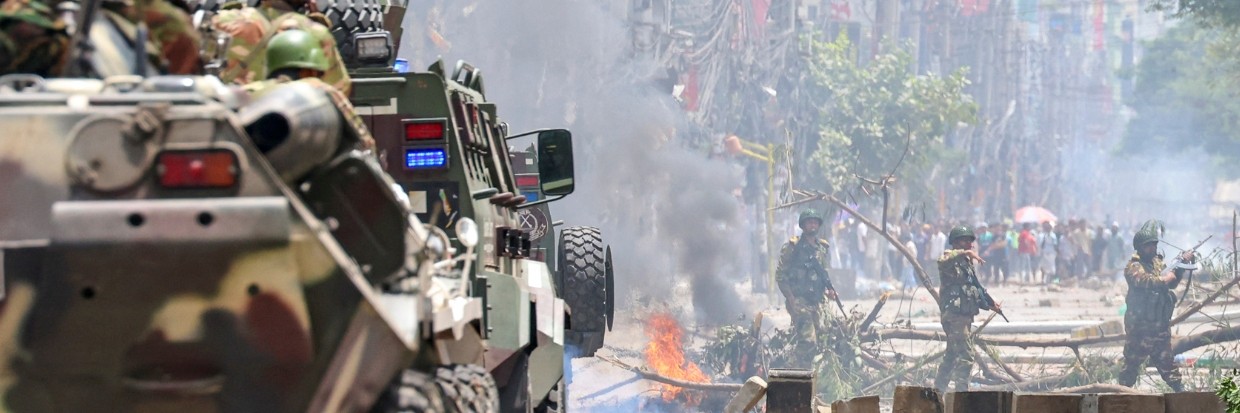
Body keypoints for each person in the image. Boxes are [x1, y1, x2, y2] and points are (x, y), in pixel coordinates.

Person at [1117, 219, 1188, 392]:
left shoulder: (1157, 263)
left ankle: (1183, 398)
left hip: (1159, 326)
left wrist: (1180, 267)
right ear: (1140, 247)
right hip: (1139, 328)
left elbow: (1170, 284)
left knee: (1169, 367)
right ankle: (1119, 399)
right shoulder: (1133, 267)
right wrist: (1167, 278)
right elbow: (1148, 282)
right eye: (1149, 246)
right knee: (1130, 368)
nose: (1153, 249)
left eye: (1154, 245)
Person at [935, 225, 1001, 392]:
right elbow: (943, 261)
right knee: (966, 355)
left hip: (964, 315)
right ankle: (961, 396)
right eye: (965, 241)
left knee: (951, 356)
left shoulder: (966, 264)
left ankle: (936, 392)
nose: (969, 245)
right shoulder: (949, 258)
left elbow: (974, 289)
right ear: (956, 243)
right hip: (954, 316)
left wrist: (991, 304)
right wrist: (965, 253)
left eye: (970, 242)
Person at [776, 208, 836, 344]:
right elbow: (780, 275)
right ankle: (800, 364)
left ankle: (797, 363)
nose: (813, 225)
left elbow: (823, 273)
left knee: (823, 339)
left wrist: (829, 290)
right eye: (809, 222)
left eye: (815, 223)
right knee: (808, 340)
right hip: (799, 300)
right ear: (802, 225)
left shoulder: (822, 248)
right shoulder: (793, 247)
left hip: (818, 301)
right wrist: (791, 298)